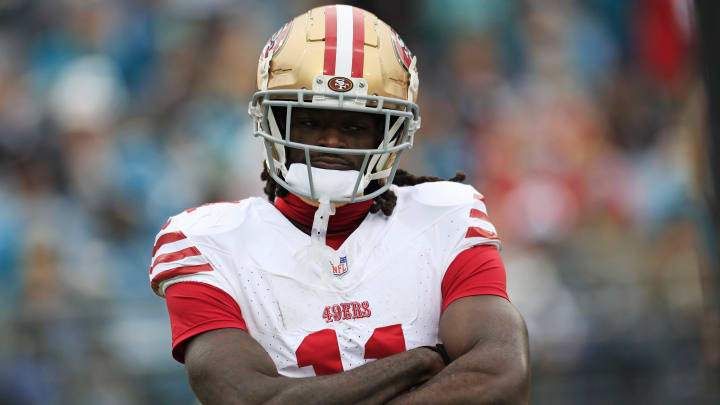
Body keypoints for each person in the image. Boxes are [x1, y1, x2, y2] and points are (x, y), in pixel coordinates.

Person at [149, 5, 529, 404]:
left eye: (354, 125)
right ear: (272, 120)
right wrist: (416, 363)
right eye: (311, 120)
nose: (331, 142)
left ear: (392, 132)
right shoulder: (207, 242)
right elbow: (250, 399)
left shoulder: (444, 215)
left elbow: (503, 376)